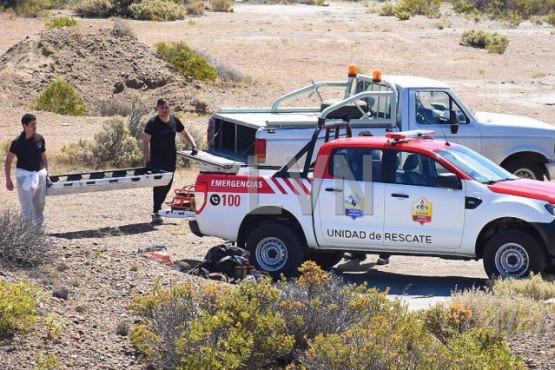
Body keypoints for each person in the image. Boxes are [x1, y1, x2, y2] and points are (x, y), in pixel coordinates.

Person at [143, 98, 197, 225]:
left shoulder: (174, 120)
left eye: (166, 107)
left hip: (171, 158)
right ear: (157, 108)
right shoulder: (153, 123)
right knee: (159, 185)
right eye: (161, 108)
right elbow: (145, 142)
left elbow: (184, 133)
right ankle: (156, 211)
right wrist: (147, 160)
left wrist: (193, 145)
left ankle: (159, 206)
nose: (164, 110)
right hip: (157, 160)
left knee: (167, 184)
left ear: (169, 107)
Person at [4, 113, 50, 226]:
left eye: (36, 124)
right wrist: (8, 180)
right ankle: (28, 234)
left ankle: (38, 231)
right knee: (27, 206)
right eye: (32, 124)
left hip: (39, 174)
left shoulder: (40, 138)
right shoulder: (18, 142)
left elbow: (43, 157)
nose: (35, 127)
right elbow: (8, 161)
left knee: (39, 205)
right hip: (24, 176)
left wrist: (47, 174)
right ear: (25, 126)